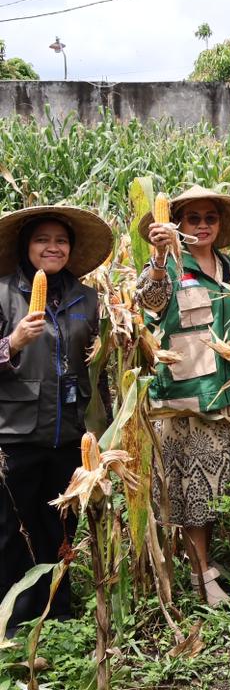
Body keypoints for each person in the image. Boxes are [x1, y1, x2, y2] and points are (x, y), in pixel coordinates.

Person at [139, 185, 230, 607]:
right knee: (192, 492)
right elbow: (149, 307)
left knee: (217, 488)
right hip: (185, 399)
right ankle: (200, 576)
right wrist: (156, 261)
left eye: (210, 218)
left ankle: (203, 565)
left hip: (228, 396)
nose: (203, 225)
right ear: (177, 225)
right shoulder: (167, 266)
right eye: (193, 218)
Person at [0, 206, 111, 636]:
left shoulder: (89, 299)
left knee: (61, 524)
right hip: (16, 432)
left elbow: (96, 367)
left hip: (70, 433)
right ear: (26, 247)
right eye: (42, 240)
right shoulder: (4, 293)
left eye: (61, 241)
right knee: (12, 527)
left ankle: (58, 608)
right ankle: (12, 614)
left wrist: (100, 431)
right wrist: (12, 342)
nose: (52, 247)